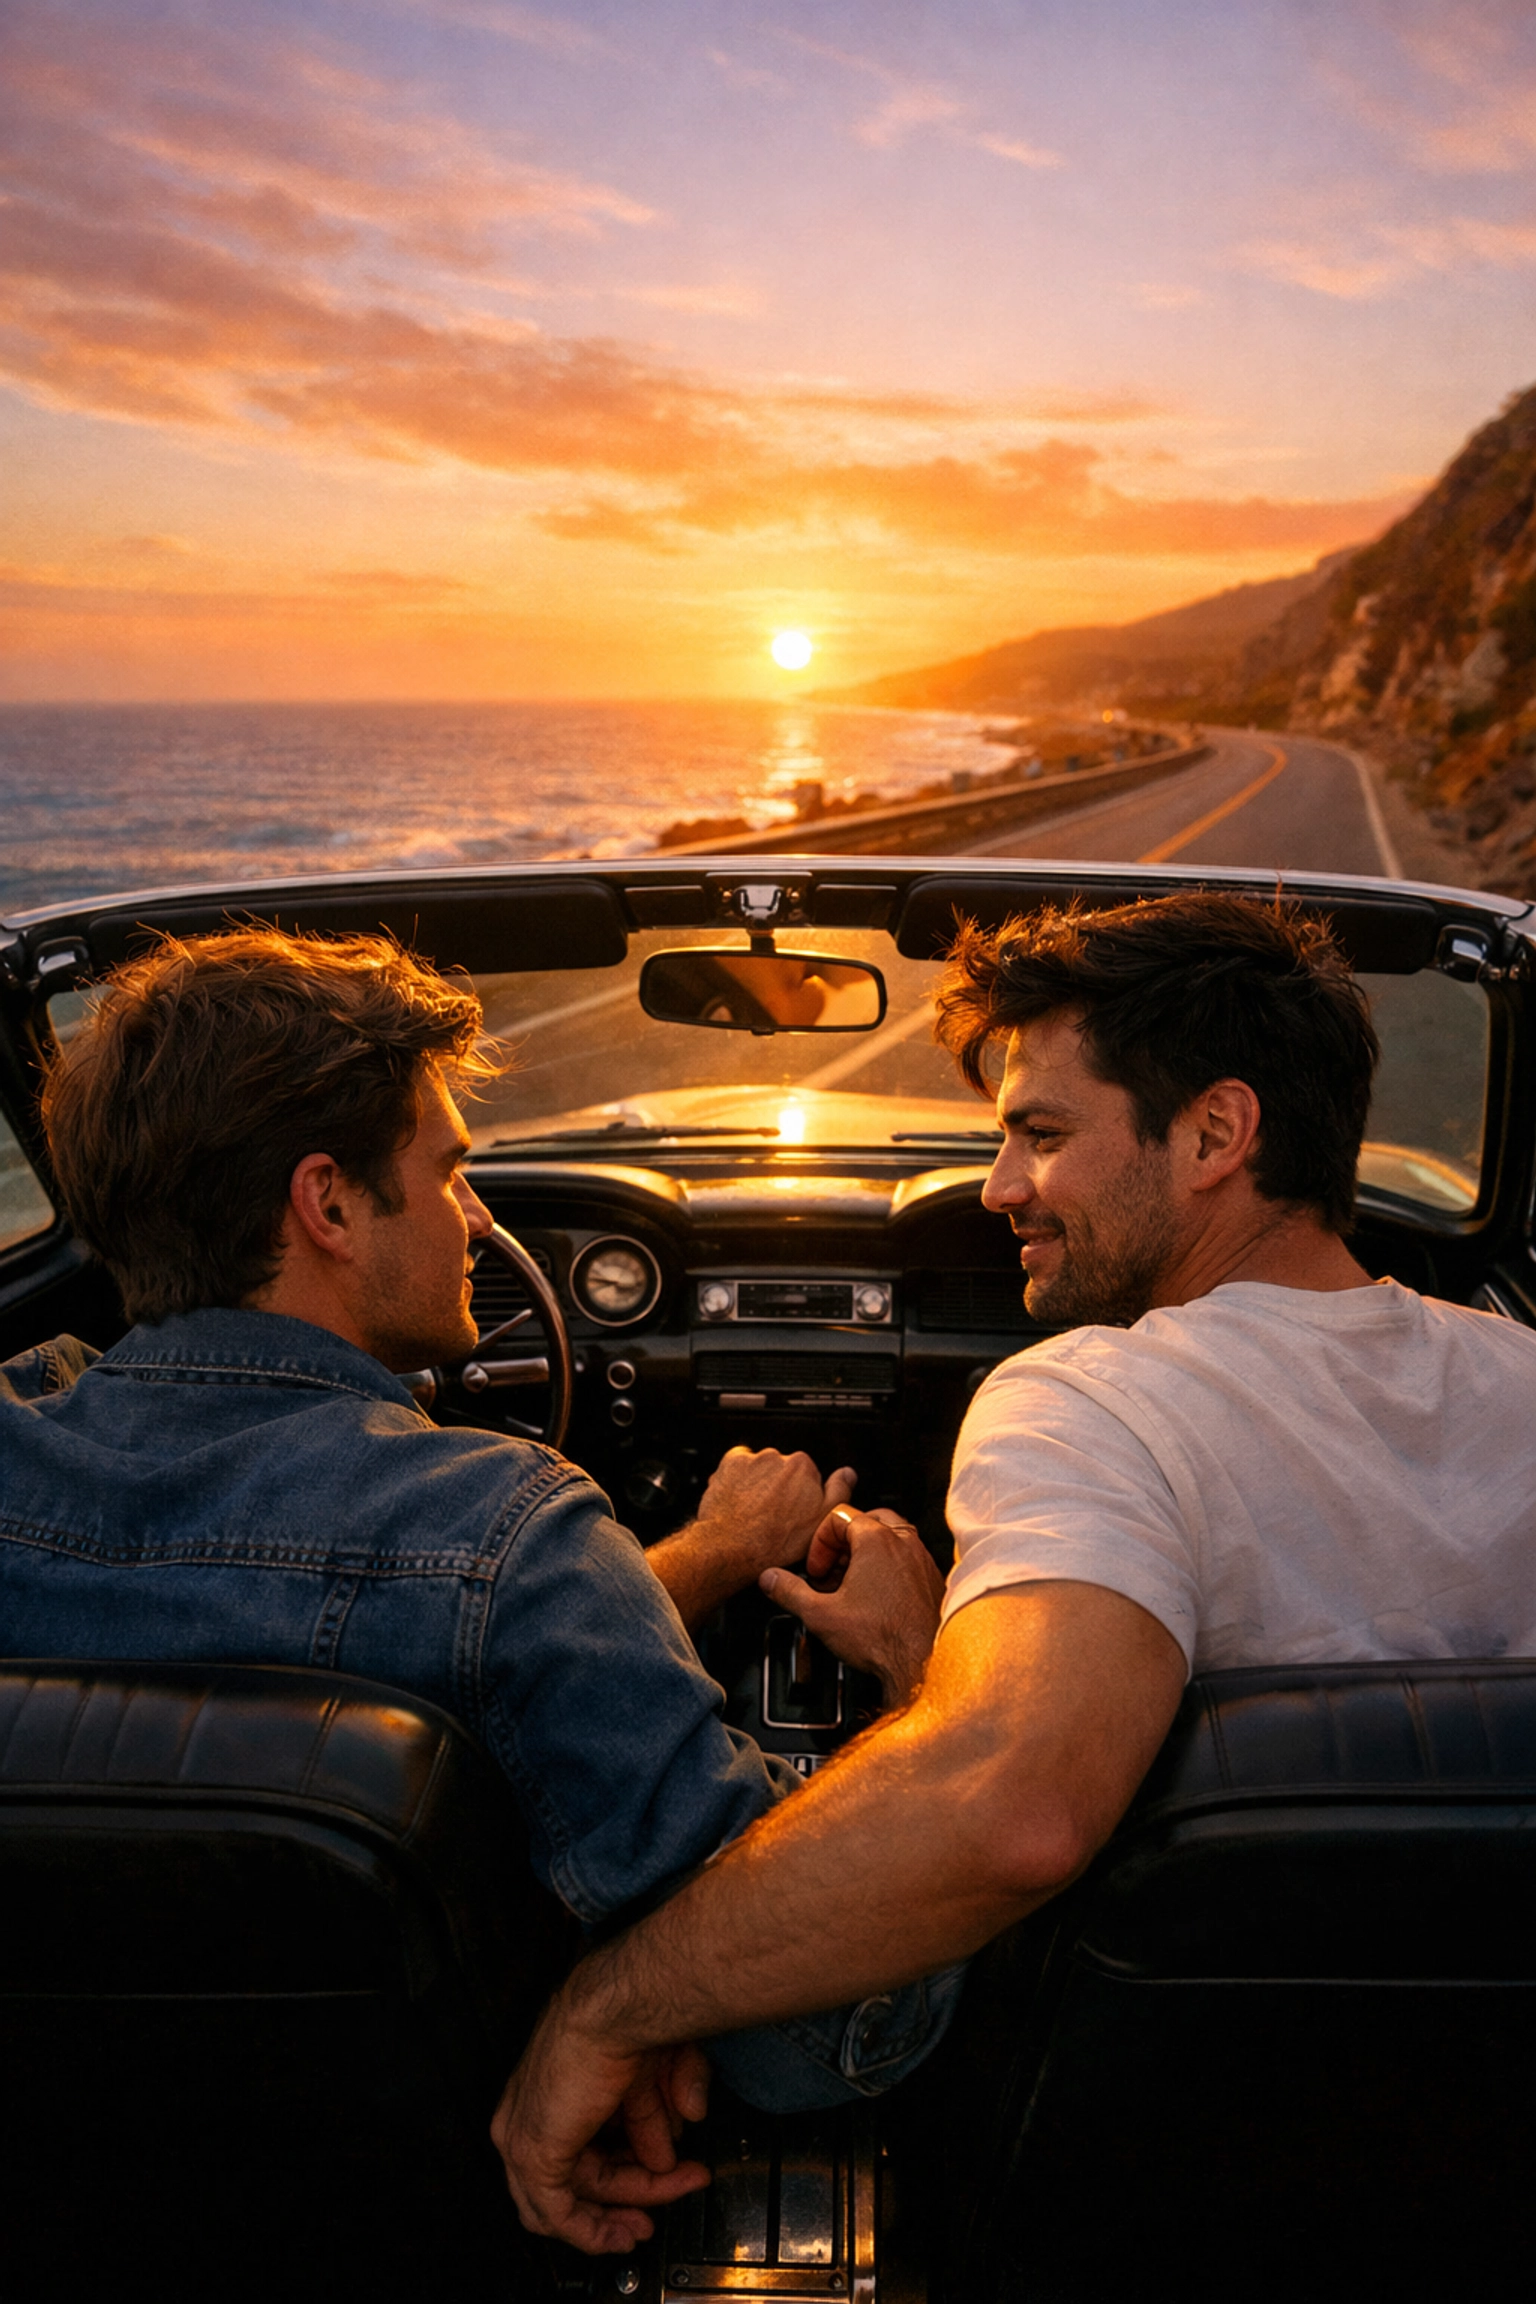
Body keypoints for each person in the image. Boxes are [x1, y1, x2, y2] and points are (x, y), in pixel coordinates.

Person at [491, 888, 1536, 2253]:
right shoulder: (1522, 1373)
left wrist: (609, 2007)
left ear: (1215, 1133)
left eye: (1042, 1135)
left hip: (1172, 2163)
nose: (998, 1189)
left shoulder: (1093, 1400)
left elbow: (1013, 1809)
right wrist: (941, 1669)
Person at [0, 924, 954, 2110]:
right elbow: (828, 2027)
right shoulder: (510, 1534)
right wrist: (925, 1681)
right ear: (328, 1204)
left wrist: (707, 1554)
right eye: (452, 1170)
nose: (480, 1219)